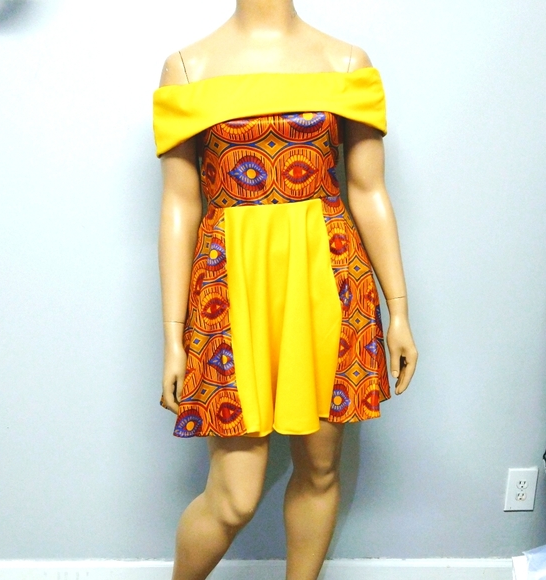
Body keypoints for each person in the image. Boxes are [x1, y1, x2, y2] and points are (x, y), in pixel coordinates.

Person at [153, 1, 418, 578]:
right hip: (229, 287)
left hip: (327, 278)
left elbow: (368, 191)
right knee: (234, 496)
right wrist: (173, 336)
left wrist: (398, 309)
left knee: (320, 470)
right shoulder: (188, 67)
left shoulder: (346, 62)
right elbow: (179, 202)